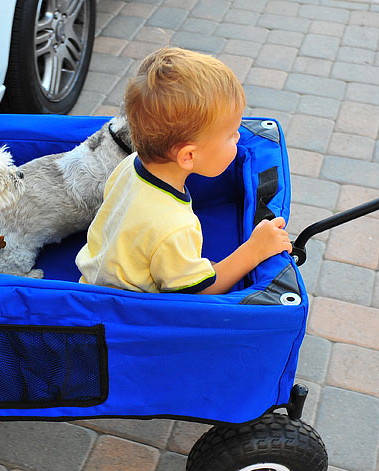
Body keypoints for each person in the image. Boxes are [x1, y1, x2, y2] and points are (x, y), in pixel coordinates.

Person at [75, 47, 292, 294]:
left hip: (98, 271)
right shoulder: (174, 226)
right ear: (188, 156)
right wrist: (254, 250)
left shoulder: (130, 163)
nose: (239, 137)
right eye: (231, 135)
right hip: (128, 307)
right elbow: (200, 292)